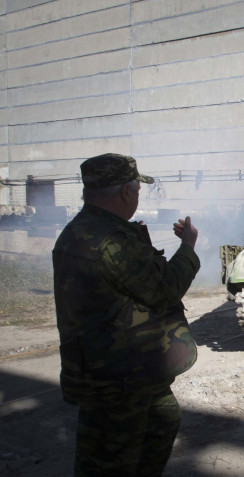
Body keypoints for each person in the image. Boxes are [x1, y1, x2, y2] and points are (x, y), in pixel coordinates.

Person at [52, 153, 201, 476]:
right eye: (137, 189)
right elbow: (165, 289)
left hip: (123, 369)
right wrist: (188, 247)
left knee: (164, 416)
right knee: (110, 462)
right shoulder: (111, 241)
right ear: (125, 192)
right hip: (117, 380)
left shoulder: (82, 231)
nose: (137, 195)